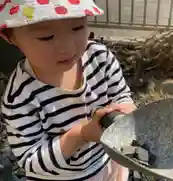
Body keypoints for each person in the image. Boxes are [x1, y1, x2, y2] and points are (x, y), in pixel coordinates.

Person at [0, 0, 137, 181]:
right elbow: (31, 160)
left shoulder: (100, 59)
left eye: (78, 27)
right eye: (46, 37)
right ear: (11, 37)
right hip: (61, 177)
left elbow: (120, 95)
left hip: (103, 161)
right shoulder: (20, 98)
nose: (68, 47)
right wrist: (80, 135)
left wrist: (126, 109)